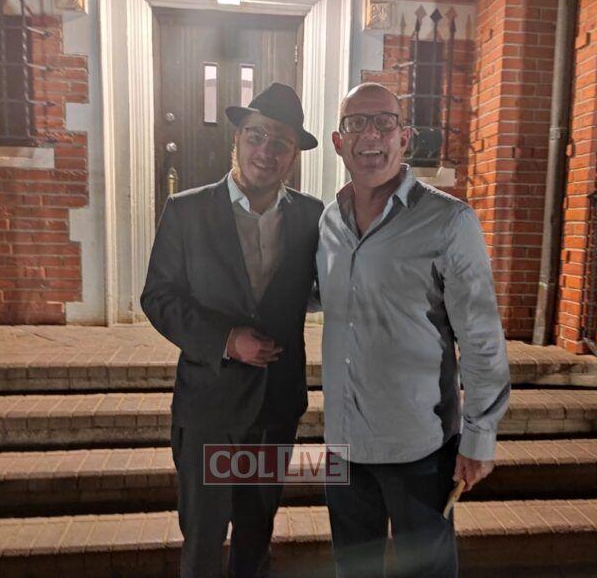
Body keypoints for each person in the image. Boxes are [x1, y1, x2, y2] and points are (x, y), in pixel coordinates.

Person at [316, 82, 511, 577]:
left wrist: (480, 435)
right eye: (356, 123)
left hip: (419, 446)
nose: (370, 135)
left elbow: (481, 338)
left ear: (405, 137)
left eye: (384, 122)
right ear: (338, 141)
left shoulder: (449, 222)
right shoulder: (328, 222)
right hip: (343, 442)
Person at [141, 82, 323, 578]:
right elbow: (158, 296)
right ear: (237, 139)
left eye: (280, 142)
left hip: (275, 407)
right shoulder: (187, 211)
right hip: (209, 409)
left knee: (255, 536)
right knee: (203, 539)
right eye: (256, 135)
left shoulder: (313, 218)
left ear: (293, 156)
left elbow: (323, 286)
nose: (266, 150)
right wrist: (225, 340)